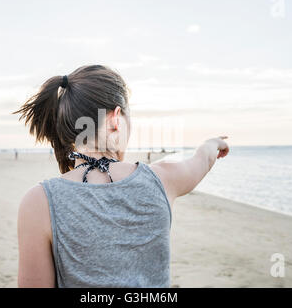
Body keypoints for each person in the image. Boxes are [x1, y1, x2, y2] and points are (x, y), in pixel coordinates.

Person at [14, 64, 229, 288]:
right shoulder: (163, 179)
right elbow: (202, 160)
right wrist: (212, 143)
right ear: (116, 119)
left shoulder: (38, 202)